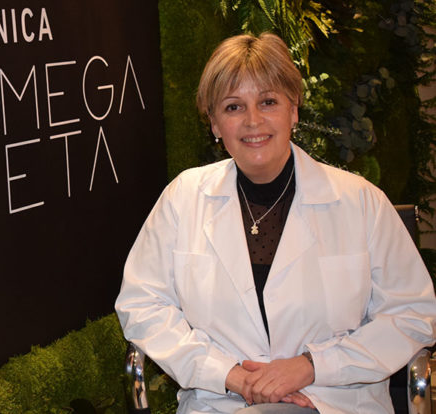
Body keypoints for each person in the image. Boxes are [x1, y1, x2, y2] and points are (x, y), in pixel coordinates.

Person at [114, 32, 436, 414]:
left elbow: (411, 315)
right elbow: (143, 304)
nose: (253, 121)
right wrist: (229, 374)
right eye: (233, 107)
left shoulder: (361, 203)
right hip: (222, 403)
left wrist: (312, 366)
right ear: (214, 123)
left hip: (336, 401)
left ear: (293, 110)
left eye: (268, 102)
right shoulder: (183, 199)